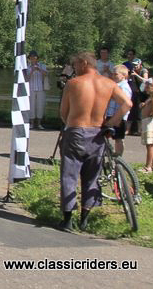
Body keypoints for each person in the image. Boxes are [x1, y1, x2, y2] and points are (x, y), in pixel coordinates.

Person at [58, 51, 131, 232]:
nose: (74, 68)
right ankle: (85, 219)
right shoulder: (109, 83)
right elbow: (127, 104)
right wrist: (111, 123)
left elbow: (63, 113)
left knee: (69, 175)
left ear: (84, 63)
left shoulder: (73, 83)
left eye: (75, 65)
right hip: (98, 133)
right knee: (92, 177)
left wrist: (71, 124)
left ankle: (67, 220)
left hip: (76, 131)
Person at [105, 65, 132, 156]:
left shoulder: (123, 87)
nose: (113, 76)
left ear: (124, 75)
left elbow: (126, 103)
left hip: (118, 117)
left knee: (118, 138)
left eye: (116, 74)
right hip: (110, 114)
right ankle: (107, 152)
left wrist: (118, 118)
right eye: (112, 74)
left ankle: (118, 156)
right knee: (105, 135)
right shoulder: (116, 86)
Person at [25, 51, 49, 130]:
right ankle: (31, 123)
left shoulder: (42, 65)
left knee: (40, 106)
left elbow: (46, 74)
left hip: (41, 89)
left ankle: (39, 124)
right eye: (31, 57)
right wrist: (32, 70)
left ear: (37, 58)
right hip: (31, 89)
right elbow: (26, 79)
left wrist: (39, 69)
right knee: (31, 106)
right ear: (29, 58)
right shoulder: (27, 67)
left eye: (34, 56)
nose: (33, 58)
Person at [128, 60, 150, 135]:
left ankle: (141, 130)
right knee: (136, 111)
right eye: (133, 65)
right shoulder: (132, 70)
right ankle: (135, 130)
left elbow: (146, 80)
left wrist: (136, 75)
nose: (135, 66)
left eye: (136, 65)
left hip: (145, 93)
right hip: (137, 93)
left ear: (140, 64)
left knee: (142, 111)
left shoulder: (144, 70)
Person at [140, 79, 153, 172]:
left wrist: (150, 113)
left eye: (148, 86)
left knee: (149, 146)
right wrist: (144, 105)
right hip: (147, 122)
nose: (146, 88)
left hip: (149, 122)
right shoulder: (150, 98)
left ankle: (148, 166)